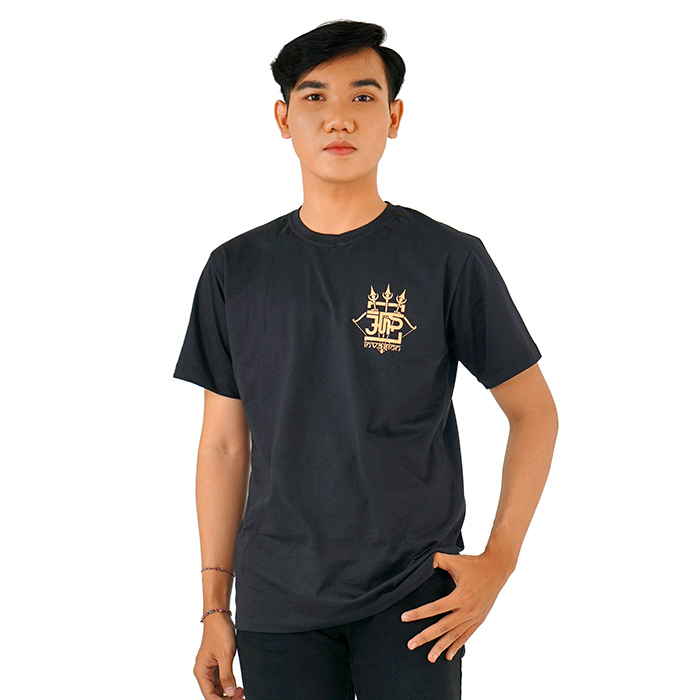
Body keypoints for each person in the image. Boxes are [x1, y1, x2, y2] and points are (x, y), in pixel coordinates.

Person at [173, 19, 558, 700]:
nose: (339, 118)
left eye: (362, 96)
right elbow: (225, 446)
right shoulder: (236, 270)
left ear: (394, 117)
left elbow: (534, 413)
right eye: (314, 97)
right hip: (276, 600)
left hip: (415, 596)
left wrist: (499, 561)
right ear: (283, 119)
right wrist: (213, 609)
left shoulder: (447, 259)